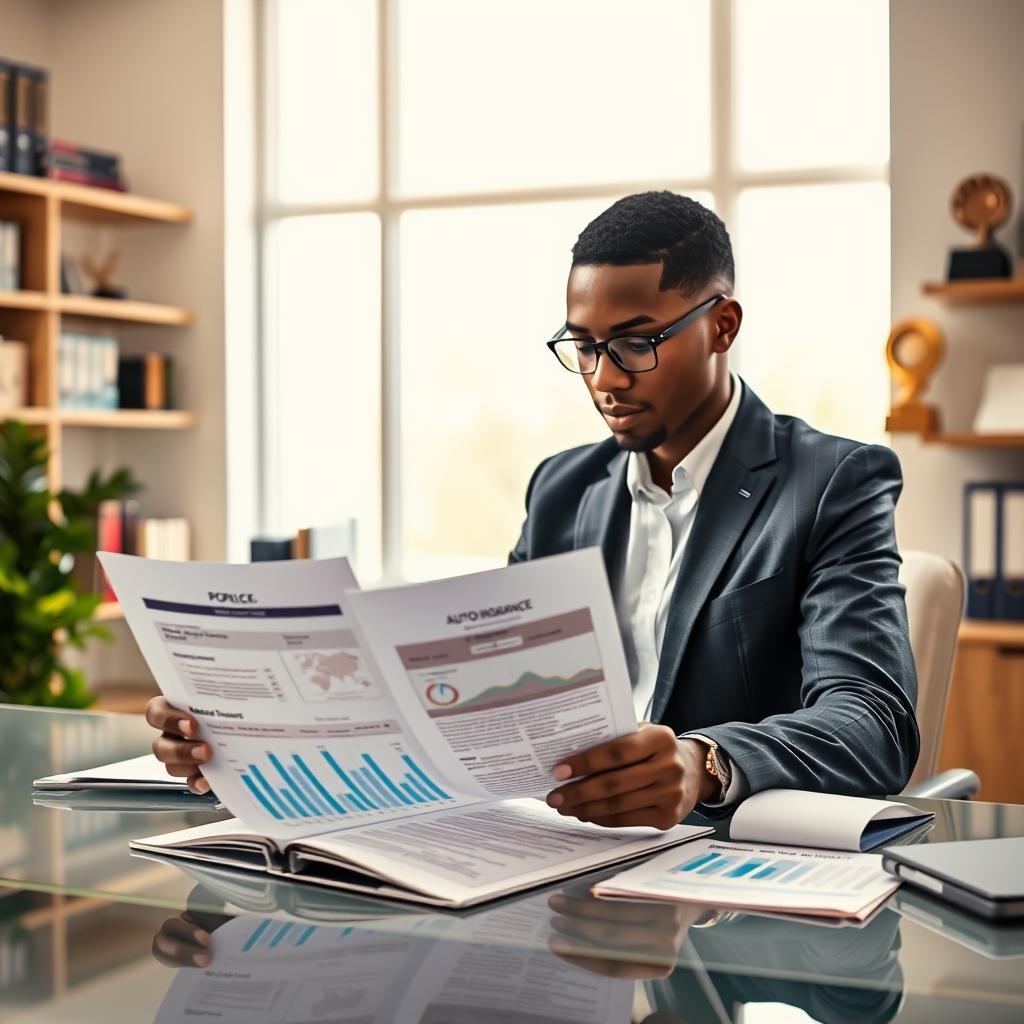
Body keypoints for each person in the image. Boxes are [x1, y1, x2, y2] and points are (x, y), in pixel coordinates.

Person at [145, 190, 919, 829]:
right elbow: (486, 693)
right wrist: (251, 748)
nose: (604, 377)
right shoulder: (563, 489)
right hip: (555, 851)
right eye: (583, 345)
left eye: (636, 342)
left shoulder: (832, 481)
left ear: (722, 325)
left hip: (730, 885)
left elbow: (872, 721)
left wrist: (703, 763)